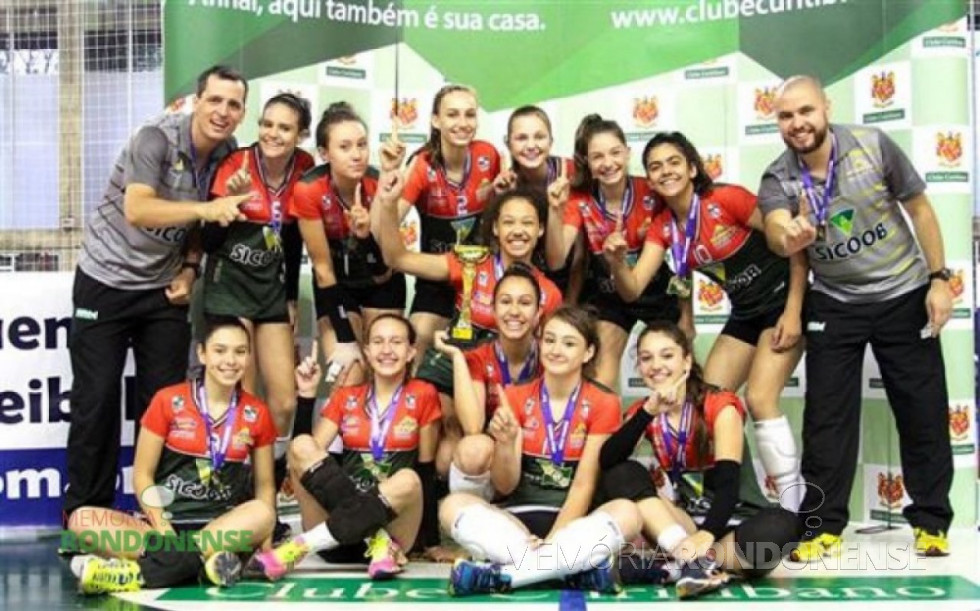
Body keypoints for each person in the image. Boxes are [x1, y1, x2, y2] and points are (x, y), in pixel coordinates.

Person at [758, 75, 954, 559]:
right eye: (786, 116)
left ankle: (931, 521)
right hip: (835, 302)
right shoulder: (777, 177)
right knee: (826, 420)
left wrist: (939, 278)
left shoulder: (873, 145)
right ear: (777, 121)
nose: (797, 123)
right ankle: (823, 526)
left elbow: (921, 210)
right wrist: (791, 235)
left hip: (903, 292)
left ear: (826, 107)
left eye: (805, 111)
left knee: (922, 409)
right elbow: (775, 232)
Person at [65, 65, 251, 519]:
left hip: (164, 290)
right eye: (215, 100)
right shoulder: (155, 139)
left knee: (166, 405)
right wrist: (208, 207)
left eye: (233, 104)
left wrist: (190, 268)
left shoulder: (227, 152)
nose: (222, 112)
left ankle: (161, 517)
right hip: (105, 282)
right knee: (97, 401)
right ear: (195, 99)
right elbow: (138, 208)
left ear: (242, 112)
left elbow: (196, 225)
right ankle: (85, 520)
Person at [605, 131, 806, 508]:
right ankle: (745, 500)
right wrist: (616, 261)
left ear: (693, 167)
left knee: (761, 398)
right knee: (707, 400)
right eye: (655, 167)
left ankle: (794, 510)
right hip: (745, 313)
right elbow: (632, 289)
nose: (666, 171)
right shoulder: (665, 227)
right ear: (649, 179)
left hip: (785, 303)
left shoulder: (726, 199)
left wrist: (795, 310)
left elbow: (792, 245)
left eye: (674, 162)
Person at [439, 306, 642, 596]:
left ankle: (506, 576)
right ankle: (570, 571)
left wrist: (554, 542)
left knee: (629, 513)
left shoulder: (604, 401)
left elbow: (584, 484)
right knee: (452, 506)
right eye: (549, 340)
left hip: (576, 525)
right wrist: (506, 443)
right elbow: (504, 484)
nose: (556, 350)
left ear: (588, 353)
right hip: (518, 524)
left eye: (569, 343)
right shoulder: (515, 395)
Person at [66, 318, 278, 594]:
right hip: (161, 528)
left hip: (221, 529)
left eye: (240, 351)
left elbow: (264, 486)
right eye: (220, 350)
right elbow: (142, 475)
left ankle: (135, 575)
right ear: (202, 353)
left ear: (249, 356)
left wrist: (266, 539)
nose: (230, 360)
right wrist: (164, 530)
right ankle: (201, 565)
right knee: (81, 520)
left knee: (262, 512)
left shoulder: (257, 412)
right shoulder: (168, 401)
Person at [598, 322, 800, 600]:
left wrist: (707, 535)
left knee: (783, 525)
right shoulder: (644, 411)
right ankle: (692, 563)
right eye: (646, 358)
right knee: (621, 473)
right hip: (685, 525)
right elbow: (608, 460)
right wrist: (648, 411)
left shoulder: (720, 403)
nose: (656, 365)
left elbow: (729, 485)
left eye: (667, 355)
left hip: (734, 524)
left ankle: (682, 564)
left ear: (687, 361)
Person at [380, 177, 562, 481]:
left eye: (528, 223)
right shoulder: (470, 263)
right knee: (444, 454)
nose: (518, 230)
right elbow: (397, 258)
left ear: (540, 229)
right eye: (509, 222)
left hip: (511, 371)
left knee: (494, 443)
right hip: (460, 357)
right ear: (495, 228)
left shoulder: (549, 293)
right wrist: (387, 205)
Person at [246, 314, 441, 580]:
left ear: (410, 352)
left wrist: (432, 544)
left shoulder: (423, 394)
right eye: (378, 342)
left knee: (409, 478)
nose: (386, 350)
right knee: (302, 444)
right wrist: (306, 396)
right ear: (367, 352)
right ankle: (375, 538)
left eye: (396, 342)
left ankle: (303, 546)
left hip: (393, 533)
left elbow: (427, 470)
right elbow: (304, 457)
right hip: (336, 530)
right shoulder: (347, 396)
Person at [202, 92, 315, 462]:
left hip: (270, 290)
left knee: (283, 401)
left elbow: (295, 235)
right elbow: (208, 240)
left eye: (284, 127)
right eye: (267, 124)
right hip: (229, 285)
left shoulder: (304, 166)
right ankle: (244, 483)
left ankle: (275, 475)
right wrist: (228, 208)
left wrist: (291, 298)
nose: (272, 133)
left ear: (300, 134)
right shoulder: (236, 163)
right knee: (244, 393)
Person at [545, 114, 685, 390]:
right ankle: (608, 431)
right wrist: (554, 211)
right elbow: (557, 259)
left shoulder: (652, 189)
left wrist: (688, 316)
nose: (608, 163)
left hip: (656, 292)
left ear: (628, 152)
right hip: (608, 296)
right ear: (587, 162)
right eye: (598, 157)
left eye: (615, 153)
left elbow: (685, 254)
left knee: (678, 378)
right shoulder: (580, 198)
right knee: (600, 379)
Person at [291, 102, 407, 387]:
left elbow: (383, 267)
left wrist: (365, 235)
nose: (357, 155)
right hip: (337, 287)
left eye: (362, 145)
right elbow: (322, 270)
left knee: (384, 374)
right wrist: (345, 339)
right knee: (350, 375)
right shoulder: (308, 189)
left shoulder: (379, 182)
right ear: (323, 153)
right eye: (344, 147)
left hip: (382, 284)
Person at [395, 84, 501, 358]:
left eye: (470, 115)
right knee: (414, 343)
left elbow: (507, 211)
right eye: (453, 115)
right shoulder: (421, 164)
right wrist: (389, 183)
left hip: (483, 277)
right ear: (435, 120)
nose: (463, 123)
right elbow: (389, 220)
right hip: (437, 277)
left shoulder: (488, 156)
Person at [432, 264, 544, 501]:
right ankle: (473, 517)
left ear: (538, 314)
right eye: (505, 302)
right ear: (493, 310)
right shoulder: (480, 356)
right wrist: (457, 357)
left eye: (524, 303)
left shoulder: (550, 356)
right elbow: (473, 426)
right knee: (472, 448)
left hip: (540, 444)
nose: (514, 311)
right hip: (498, 449)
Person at [492, 105, 583, 299]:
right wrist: (502, 199)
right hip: (523, 277)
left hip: (569, 278)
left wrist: (556, 207)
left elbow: (559, 261)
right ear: (508, 143)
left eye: (539, 137)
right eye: (522, 138)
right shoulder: (505, 179)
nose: (531, 145)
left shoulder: (571, 175)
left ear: (551, 141)